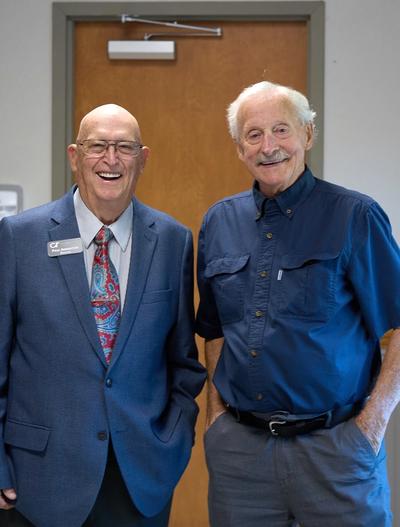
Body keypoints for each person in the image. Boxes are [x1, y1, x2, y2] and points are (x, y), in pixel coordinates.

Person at [196, 80, 400, 526]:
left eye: (281, 130)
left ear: (308, 135)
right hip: (241, 457)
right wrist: (215, 418)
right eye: (254, 135)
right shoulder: (218, 222)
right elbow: (213, 329)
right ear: (239, 148)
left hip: (336, 452)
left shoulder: (355, 216)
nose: (269, 147)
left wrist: (372, 426)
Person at [0, 104, 206, 527]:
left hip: (139, 479)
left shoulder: (173, 241)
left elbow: (183, 363)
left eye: (124, 148)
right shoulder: (19, 239)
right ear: (75, 156)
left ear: (142, 159)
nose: (110, 160)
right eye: (98, 146)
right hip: (37, 481)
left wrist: (173, 444)